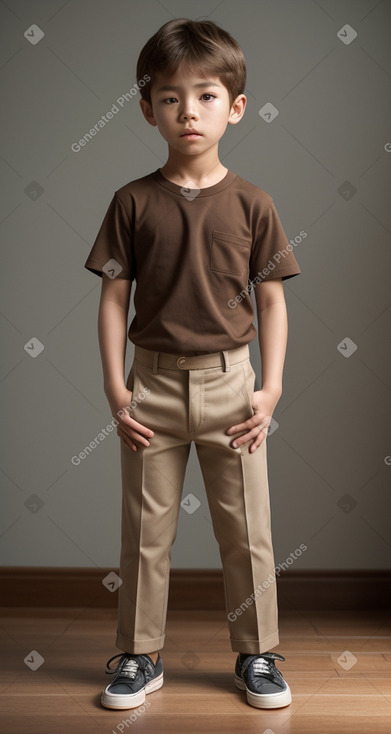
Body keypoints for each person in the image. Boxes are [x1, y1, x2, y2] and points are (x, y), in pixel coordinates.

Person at [84, 17, 301, 713]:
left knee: (248, 532)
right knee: (145, 532)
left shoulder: (253, 202)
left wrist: (268, 389)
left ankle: (258, 655)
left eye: (206, 96)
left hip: (232, 387)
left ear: (234, 107)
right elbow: (115, 297)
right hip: (149, 388)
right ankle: (140, 657)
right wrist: (116, 387)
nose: (188, 111)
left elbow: (270, 303)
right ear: (147, 109)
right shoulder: (131, 201)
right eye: (169, 97)